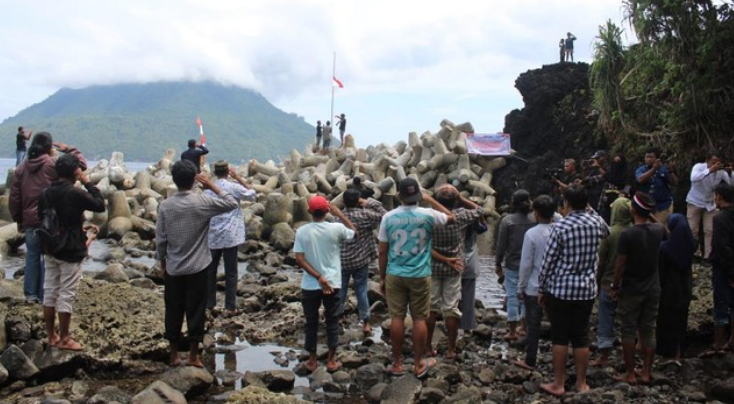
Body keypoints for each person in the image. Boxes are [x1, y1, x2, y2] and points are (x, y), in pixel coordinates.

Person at [156, 160, 239, 367]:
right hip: (198, 266)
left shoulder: (165, 206)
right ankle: (193, 356)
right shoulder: (202, 202)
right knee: (196, 310)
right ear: (194, 179)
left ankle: (174, 355)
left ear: (174, 180)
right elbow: (231, 203)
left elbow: (161, 239)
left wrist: (162, 263)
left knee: (173, 309)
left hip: (174, 267)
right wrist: (211, 185)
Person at [378, 178, 456, 378]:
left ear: (399, 196)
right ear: (418, 196)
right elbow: (452, 217)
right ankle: (419, 362)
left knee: (397, 317)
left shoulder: (388, 217)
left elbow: (383, 251)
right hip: (420, 274)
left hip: (395, 273)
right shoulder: (428, 214)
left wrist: (381, 278)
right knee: (419, 317)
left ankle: (397, 363)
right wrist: (431, 200)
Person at [538, 184, 609, 396]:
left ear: (566, 203)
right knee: (580, 336)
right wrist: (590, 208)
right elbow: (607, 231)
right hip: (586, 290)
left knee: (559, 336)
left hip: (560, 289)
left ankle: (558, 383)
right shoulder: (595, 222)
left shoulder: (560, 227)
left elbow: (548, 262)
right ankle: (581, 383)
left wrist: (542, 288)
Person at [9, 132, 87, 304]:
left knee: (32, 256)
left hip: (29, 219)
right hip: (51, 220)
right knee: (49, 257)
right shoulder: (53, 164)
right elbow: (80, 165)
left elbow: (15, 196)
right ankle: (46, 296)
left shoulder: (21, 168)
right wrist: (68, 149)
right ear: (49, 147)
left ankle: (31, 295)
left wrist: (18, 219)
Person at [40, 153, 106, 351]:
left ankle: (51, 335)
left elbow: (47, 220)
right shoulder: (74, 193)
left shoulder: (45, 193)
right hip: (70, 250)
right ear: (75, 172)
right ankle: (65, 338)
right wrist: (87, 181)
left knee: (50, 292)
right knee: (66, 293)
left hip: (50, 247)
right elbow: (99, 204)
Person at [608, 192, 667, 385]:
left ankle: (630, 372)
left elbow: (620, 264)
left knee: (628, 329)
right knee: (649, 329)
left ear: (632, 210)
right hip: (653, 287)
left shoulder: (628, 234)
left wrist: (615, 286)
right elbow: (667, 232)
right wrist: (649, 213)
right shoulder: (658, 230)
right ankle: (646, 372)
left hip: (632, 288)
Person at [294, 195, 356, 372]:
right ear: (327, 211)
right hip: (333, 283)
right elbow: (354, 232)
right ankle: (331, 360)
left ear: (309, 212)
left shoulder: (302, 231)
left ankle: (312, 361)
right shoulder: (336, 228)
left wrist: (317, 277)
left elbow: (299, 259)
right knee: (332, 321)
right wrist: (340, 214)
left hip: (310, 284)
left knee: (311, 322)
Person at [427, 184, 484, 359]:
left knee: (431, 308)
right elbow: (480, 210)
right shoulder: (461, 216)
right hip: (455, 267)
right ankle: (451, 349)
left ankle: (428, 347)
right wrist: (460, 198)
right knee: (451, 308)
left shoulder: (430, 217)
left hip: (433, 266)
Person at [204, 161, 256, 317]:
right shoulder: (232, 187)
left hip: (213, 234)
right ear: (228, 172)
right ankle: (230, 306)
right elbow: (252, 194)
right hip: (231, 235)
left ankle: (209, 304)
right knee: (231, 272)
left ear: (215, 172)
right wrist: (238, 177)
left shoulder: (209, 190)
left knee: (210, 271)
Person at [337, 187, 387, 336]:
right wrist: (370, 202)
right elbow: (386, 216)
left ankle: (338, 320)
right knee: (361, 291)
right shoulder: (364, 214)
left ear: (343, 202)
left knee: (341, 292)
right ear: (358, 201)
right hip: (360, 261)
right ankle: (365, 323)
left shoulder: (337, 217)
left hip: (342, 261)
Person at [514, 195, 556, 370]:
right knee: (558, 324)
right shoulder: (559, 229)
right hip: (555, 286)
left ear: (536, 213)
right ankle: (558, 360)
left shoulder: (532, 234)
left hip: (533, 286)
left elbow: (526, 264)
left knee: (533, 325)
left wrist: (520, 287)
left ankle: (530, 359)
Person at [590, 196, 632, 367]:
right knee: (629, 319)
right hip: (631, 283)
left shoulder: (610, 233)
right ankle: (629, 353)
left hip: (609, 281)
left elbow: (601, 262)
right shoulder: (636, 230)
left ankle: (604, 353)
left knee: (606, 316)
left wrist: (597, 282)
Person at [495, 189, 535, 341]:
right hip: (530, 264)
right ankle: (523, 327)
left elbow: (501, 245)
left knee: (512, 295)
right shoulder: (534, 219)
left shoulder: (507, 220)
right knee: (526, 295)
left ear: (513, 203)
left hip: (512, 263)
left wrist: (498, 263)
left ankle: (512, 331)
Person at [656, 213, 695, 365]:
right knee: (680, 322)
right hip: (684, 290)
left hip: (668, 292)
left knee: (666, 324)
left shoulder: (665, 249)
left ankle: (668, 355)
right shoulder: (689, 244)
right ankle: (679, 352)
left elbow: (660, 272)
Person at [703, 183, 734, 356]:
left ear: (720, 197)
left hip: (723, 267)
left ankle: (719, 342)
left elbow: (722, 247)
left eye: (716, 196)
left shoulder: (720, 218)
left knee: (721, 304)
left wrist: (730, 272)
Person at [686, 151, 732, 260]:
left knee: (710, 230)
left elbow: (730, 184)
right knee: (693, 229)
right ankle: (695, 253)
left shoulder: (721, 172)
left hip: (710, 203)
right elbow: (693, 178)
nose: (716, 164)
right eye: (713, 162)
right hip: (695, 201)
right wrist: (710, 170)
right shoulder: (699, 167)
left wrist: (729, 173)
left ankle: (708, 255)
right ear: (707, 161)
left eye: (718, 162)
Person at [636, 147, 679, 224]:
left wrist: (671, 171)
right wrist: (653, 169)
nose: (648, 159)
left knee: (659, 229)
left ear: (657, 159)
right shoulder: (641, 169)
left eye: (651, 157)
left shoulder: (663, 169)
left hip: (663, 206)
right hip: (646, 207)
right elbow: (640, 179)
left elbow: (674, 183)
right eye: (647, 157)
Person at [581, 150, 608, 221]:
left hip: (601, 201)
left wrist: (598, 166)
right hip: (591, 200)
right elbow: (584, 181)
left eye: (597, 158)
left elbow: (605, 176)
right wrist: (584, 169)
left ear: (603, 158)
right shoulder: (593, 170)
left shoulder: (607, 168)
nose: (595, 160)